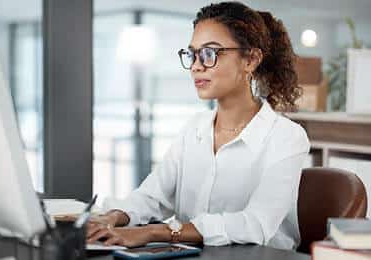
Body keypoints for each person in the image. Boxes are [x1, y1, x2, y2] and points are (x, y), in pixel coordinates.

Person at [86, 1, 310, 250]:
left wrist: (153, 232)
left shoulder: (287, 137)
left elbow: (255, 224)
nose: (195, 66)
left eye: (209, 53)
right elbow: (152, 196)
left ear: (251, 60)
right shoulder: (194, 128)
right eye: (192, 54)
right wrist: (111, 218)